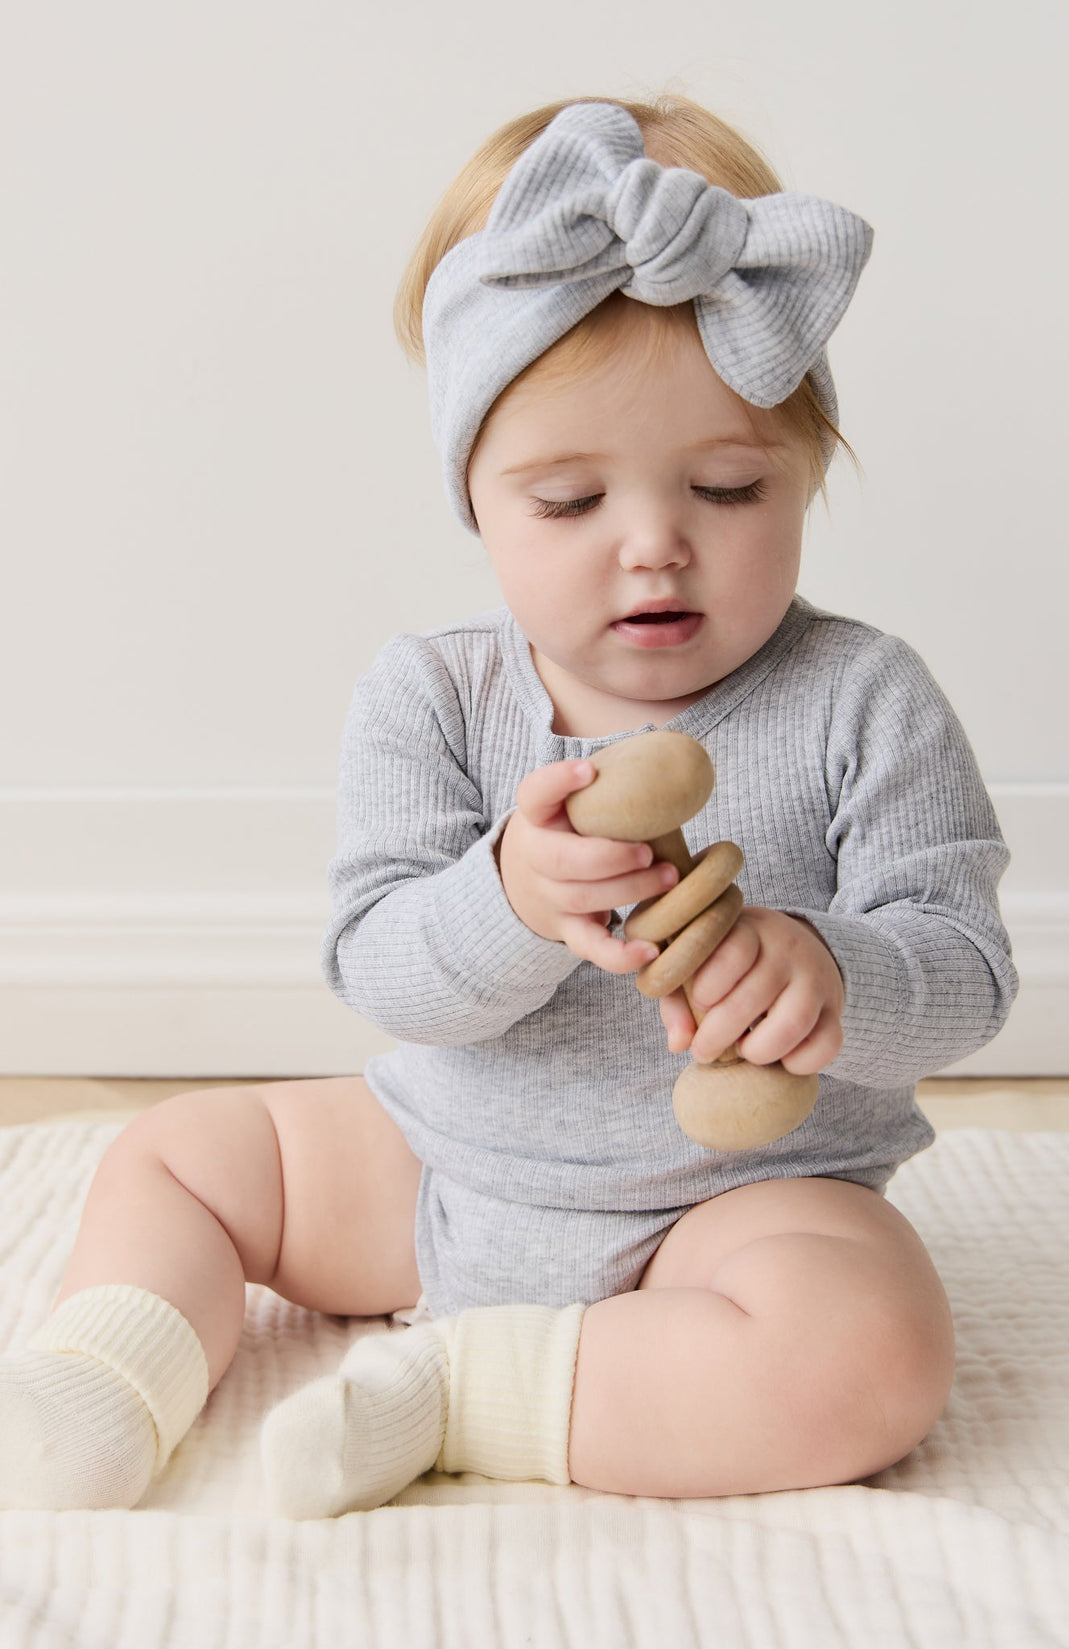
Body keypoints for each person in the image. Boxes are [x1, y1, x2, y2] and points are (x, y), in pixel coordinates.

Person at [0, 95, 1017, 1517]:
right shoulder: (433, 693)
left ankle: (470, 1391)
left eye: (728, 486)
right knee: (180, 1151)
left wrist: (836, 971)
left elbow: (967, 974)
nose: (654, 544)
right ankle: (108, 1380)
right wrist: (511, 894)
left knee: (871, 1353)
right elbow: (380, 964)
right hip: (440, 1160)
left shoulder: (866, 697)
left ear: (806, 471)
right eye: (568, 500)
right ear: (476, 497)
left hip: (739, 1209)